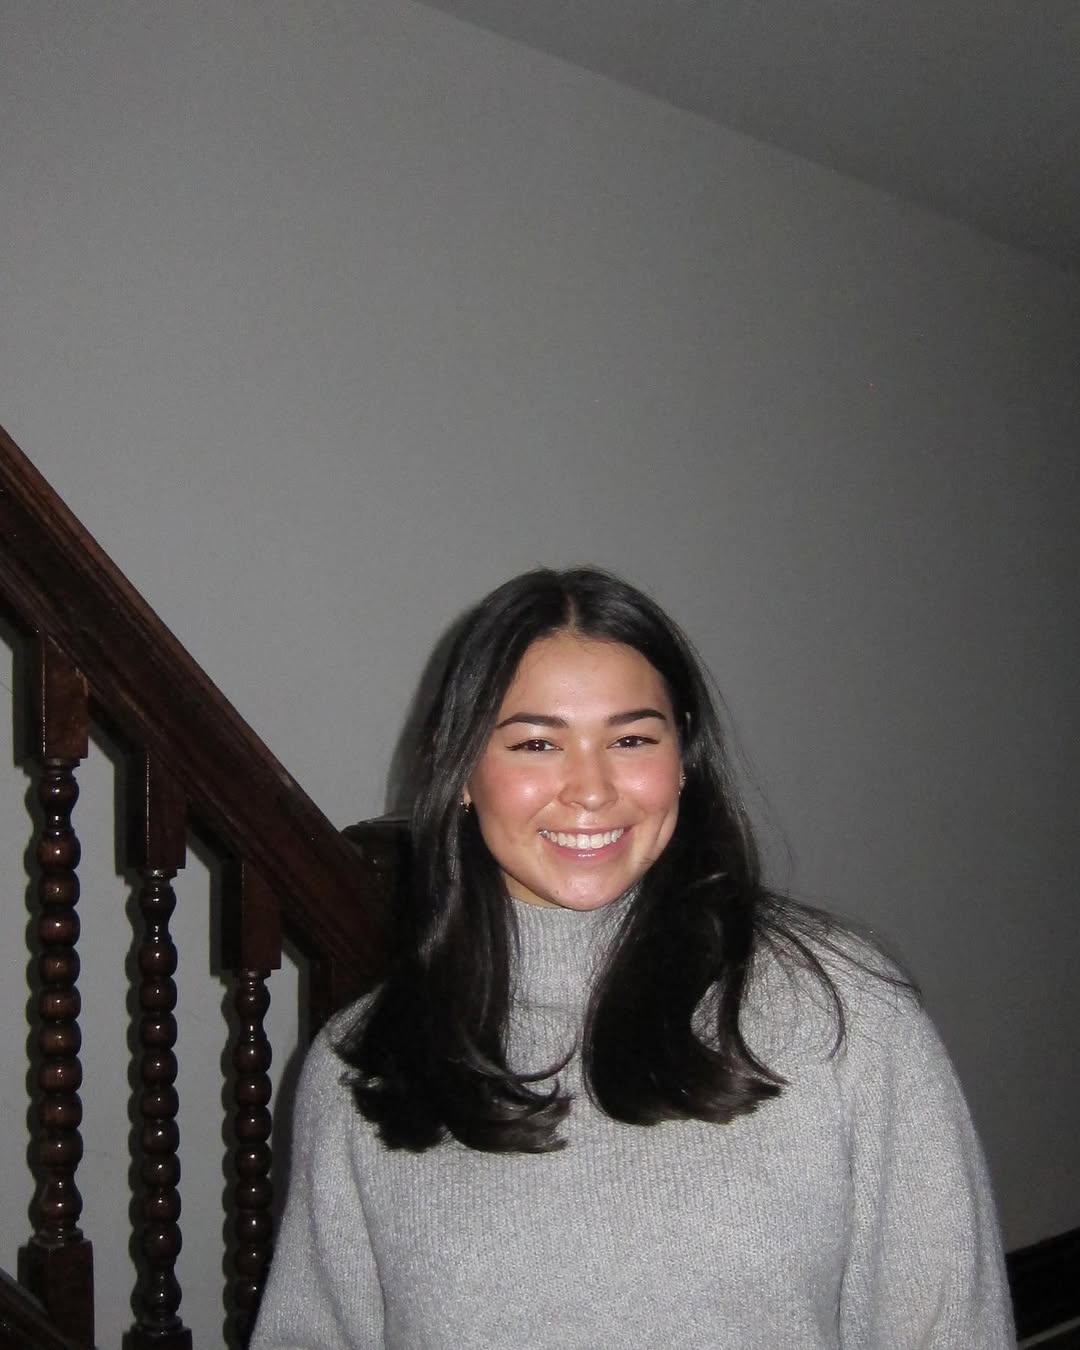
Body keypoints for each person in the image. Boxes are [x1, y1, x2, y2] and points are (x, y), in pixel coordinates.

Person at [251, 567, 1014, 1349]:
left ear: (683, 758)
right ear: (463, 771)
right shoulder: (361, 1067)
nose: (590, 789)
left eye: (631, 740)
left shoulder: (844, 1014)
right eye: (537, 743)